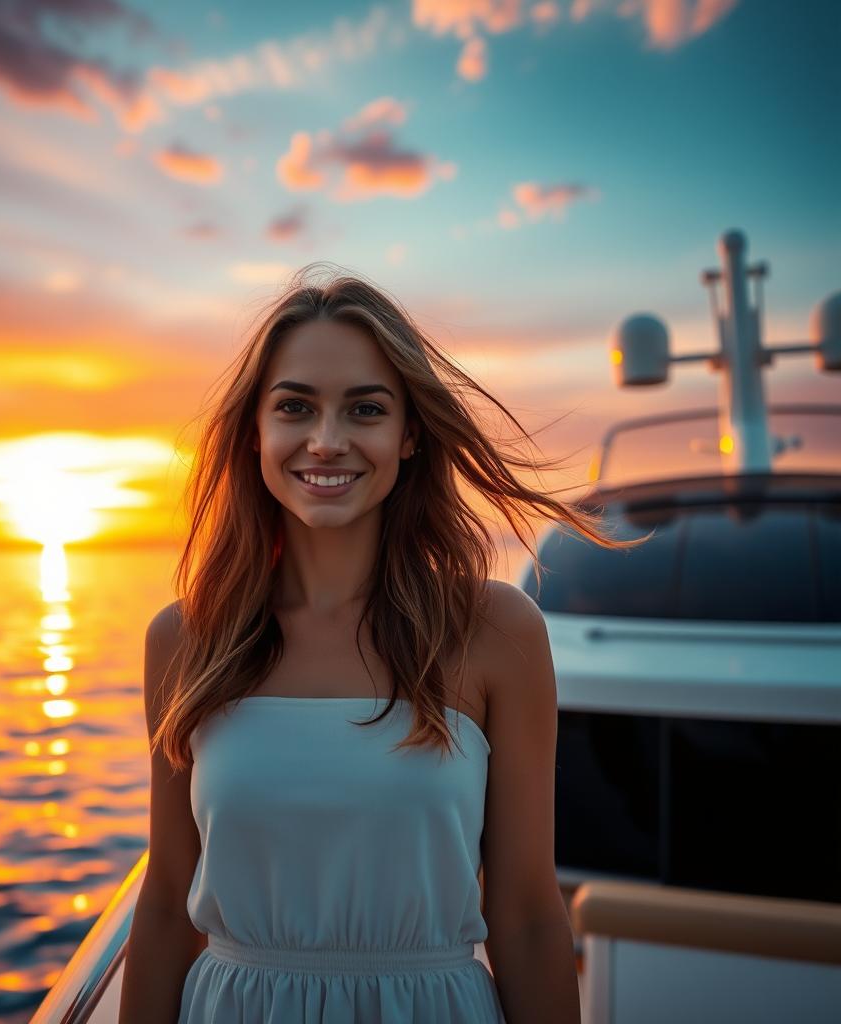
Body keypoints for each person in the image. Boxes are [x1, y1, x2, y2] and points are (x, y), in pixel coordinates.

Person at [118, 264, 648, 1023]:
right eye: (295, 407)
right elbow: (169, 900)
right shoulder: (186, 638)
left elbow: (528, 914)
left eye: (364, 409)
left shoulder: (496, 633)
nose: (326, 442)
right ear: (255, 434)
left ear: (408, 438)